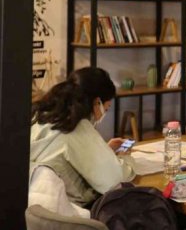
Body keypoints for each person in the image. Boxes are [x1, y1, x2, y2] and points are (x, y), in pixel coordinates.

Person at [30, 67, 135, 208]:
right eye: (107, 108)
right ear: (97, 103)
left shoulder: (45, 115)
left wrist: (104, 150)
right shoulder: (77, 127)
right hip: (71, 211)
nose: (104, 113)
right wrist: (125, 158)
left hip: (36, 207)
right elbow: (113, 180)